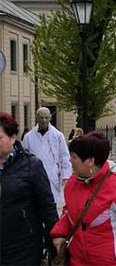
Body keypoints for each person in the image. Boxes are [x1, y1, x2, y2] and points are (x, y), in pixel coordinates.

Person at [51, 131, 116, 266]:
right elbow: (68, 211)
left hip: (110, 261)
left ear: (90, 161)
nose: (70, 160)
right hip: (78, 259)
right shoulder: (73, 182)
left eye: (74, 157)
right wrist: (59, 234)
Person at [0, 110, 58, 266]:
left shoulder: (31, 166)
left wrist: (54, 244)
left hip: (23, 249)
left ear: (12, 138)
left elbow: (48, 208)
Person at [22, 106, 72, 210]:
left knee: (51, 207)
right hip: (35, 178)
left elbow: (65, 156)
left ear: (50, 118)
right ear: (37, 118)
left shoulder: (58, 136)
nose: (44, 120)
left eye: (46, 117)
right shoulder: (28, 137)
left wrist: (66, 176)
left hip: (53, 176)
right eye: (41, 117)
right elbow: (24, 159)